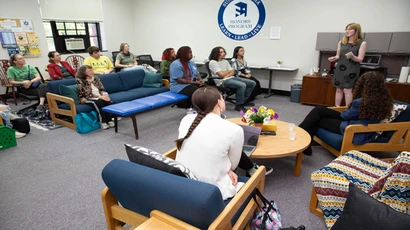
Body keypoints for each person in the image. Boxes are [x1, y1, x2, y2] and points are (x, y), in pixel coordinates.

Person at [175, 87, 272, 200]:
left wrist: (227, 169)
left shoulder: (186, 119)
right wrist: (228, 170)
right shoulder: (234, 129)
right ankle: (253, 169)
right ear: (219, 103)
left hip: (183, 182)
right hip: (210, 192)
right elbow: (233, 164)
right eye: (223, 98)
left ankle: (251, 168)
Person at [299, 71, 393, 156]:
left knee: (317, 116)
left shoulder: (362, 102)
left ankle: (299, 133)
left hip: (352, 128)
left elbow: (345, 116)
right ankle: (305, 143)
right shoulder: (385, 100)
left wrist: (349, 108)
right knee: (318, 111)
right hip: (364, 127)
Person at [328, 23, 367, 107]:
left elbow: (360, 59)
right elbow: (338, 55)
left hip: (352, 68)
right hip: (340, 68)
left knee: (347, 90)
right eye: (346, 29)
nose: (347, 31)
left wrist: (353, 57)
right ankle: (337, 108)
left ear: (356, 31)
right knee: (339, 89)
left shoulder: (362, 43)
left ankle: (348, 109)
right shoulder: (341, 42)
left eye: (350, 29)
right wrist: (333, 58)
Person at [208, 46, 255, 112]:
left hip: (230, 78)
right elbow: (221, 74)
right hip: (222, 82)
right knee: (242, 85)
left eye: (224, 51)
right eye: (221, 52)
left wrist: (226, 75)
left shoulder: (225, 61)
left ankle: (244, 101)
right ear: (216, 53)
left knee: (252, 83)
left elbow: (233, 71)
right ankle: (239, 105)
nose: (224, 53)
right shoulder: (213, 62)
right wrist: (227, 73)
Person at [76, 65, 114, 130]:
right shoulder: (80, 80)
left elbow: (102, 89)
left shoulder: (95, 78)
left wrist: (105, 95)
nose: (92, 72)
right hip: (87, 98)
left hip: (99, 96)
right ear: (83, 72)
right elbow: (86, 93)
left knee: (106, 100)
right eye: (90, 70)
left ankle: (109, 120)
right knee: (99, 102)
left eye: (92, 70)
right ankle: (103, 122)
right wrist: (100, 97)